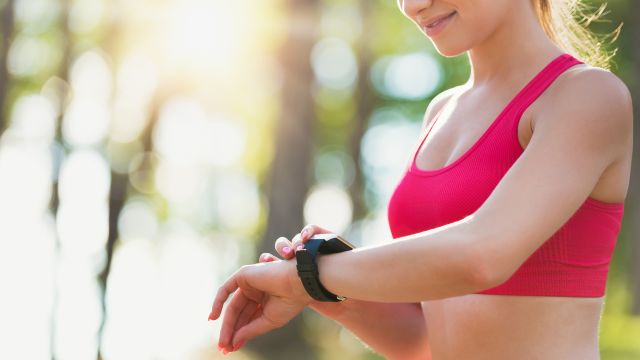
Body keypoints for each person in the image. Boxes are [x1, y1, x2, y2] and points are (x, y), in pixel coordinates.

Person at [209, 0, 633, 358]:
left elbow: (480, 257)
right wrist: (312, 286)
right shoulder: (441, 113)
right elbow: (421, 339)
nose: (413, 5)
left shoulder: (586, 95)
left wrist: (310, 272)